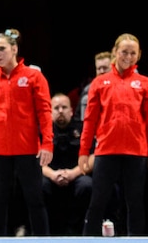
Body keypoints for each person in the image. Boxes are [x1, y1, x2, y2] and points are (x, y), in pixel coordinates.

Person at [78, 33, 148, 236]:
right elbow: (89, 120)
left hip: (136, 151)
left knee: (135, 202)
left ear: (139, 55)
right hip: (106, 150)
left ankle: (135, 240)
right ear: (115, 52)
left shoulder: (145, 83)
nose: (128, 57)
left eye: (133, 53)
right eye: (124, 52)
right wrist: (83, 152)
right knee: (98, 200)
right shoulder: (100, 82)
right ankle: (88, 240)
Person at [0, 28, 52, 236]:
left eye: (1, 49)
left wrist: (47, 143)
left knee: (35, 199)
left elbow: (44, 112)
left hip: (28, 149)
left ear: (14, 49)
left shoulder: (34, 76)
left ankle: (43, 240)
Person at [43, 93, 93, 235]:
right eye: (56, 108)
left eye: (64, 107)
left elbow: (93, 157)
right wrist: (52, 175)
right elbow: (34, 160)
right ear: (50, 112)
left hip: (77, 174)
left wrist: (73, 173)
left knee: (86, 185)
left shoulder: (83, 129)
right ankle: (44, 231)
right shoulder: (43, 130)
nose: (60, 111)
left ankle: (79, 231)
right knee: (38, 186)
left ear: (71, 111)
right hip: (50, 176)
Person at [72, 50, 112, 122]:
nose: (101, 71)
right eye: (99, 68)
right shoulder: (88, 89)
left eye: (105, 68)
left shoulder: (121, 87)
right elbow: (79, 116)